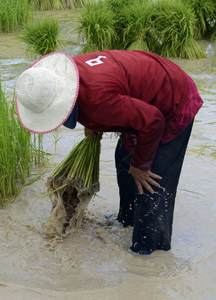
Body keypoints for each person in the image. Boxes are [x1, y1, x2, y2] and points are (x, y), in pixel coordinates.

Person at [14, 50, 203, 255]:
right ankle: (127, 221)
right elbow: (110, 96)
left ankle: (148, 255)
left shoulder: (99, 104)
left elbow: (154, 121)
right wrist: (95, 123)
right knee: (124, 162)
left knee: (151, 185)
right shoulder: (73, 75)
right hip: (146, 97)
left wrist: (141, 165)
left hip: (172, 101)